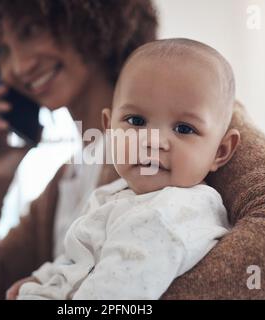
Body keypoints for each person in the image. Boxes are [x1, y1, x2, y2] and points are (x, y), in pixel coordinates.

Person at [0, 0, 265, 300]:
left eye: (29, 31)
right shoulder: (70, 175)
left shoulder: (195, 123)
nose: (18, 65)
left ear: (85, 15)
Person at [16, 38, 239, 300]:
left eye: (184, 129)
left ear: (221, 151)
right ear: (109, 129)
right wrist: (42, 278)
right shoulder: (117, 192)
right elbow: (81, 252)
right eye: (136, 121)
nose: (153, 141)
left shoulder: (171, 214)